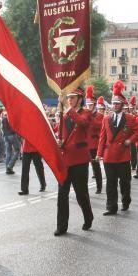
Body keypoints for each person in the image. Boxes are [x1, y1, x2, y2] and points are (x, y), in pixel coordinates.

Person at [95, 81, 138, 215]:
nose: (115, 105)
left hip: (123, 155)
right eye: (113, 103)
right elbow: (102, 137)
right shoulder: (106, 118)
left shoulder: (129, 118)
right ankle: (111, 207)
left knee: (124, 182)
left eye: (117, 103)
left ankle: (125, 201)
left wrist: (130, 140)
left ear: (122, 105)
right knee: (111, 183)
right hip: (109, 155)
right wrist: (99, 153)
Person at [54, 87, 94, 236]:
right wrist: (59, 141)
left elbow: (82, 123)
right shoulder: (64, 116)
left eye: (72, 97)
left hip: (79, 160)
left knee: (81, 193)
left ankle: (88, 216)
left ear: (80, 99)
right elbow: (60, 133)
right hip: (66, 159)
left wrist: (68, 109)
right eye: (68, 98)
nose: (69, 100)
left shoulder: (86, 113)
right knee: (62, 194)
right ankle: (62, 226)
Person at [85, 86, 104, 194]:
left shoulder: (99, 116)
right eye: (88, 104)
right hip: (85, 145)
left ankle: (99, 186)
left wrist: (90, 118)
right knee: (84, 169)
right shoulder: (84, 114)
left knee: (96, 167)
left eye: (91, 105)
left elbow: (100, 126)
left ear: (94, 105)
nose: (89, 106)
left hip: (94, 145)